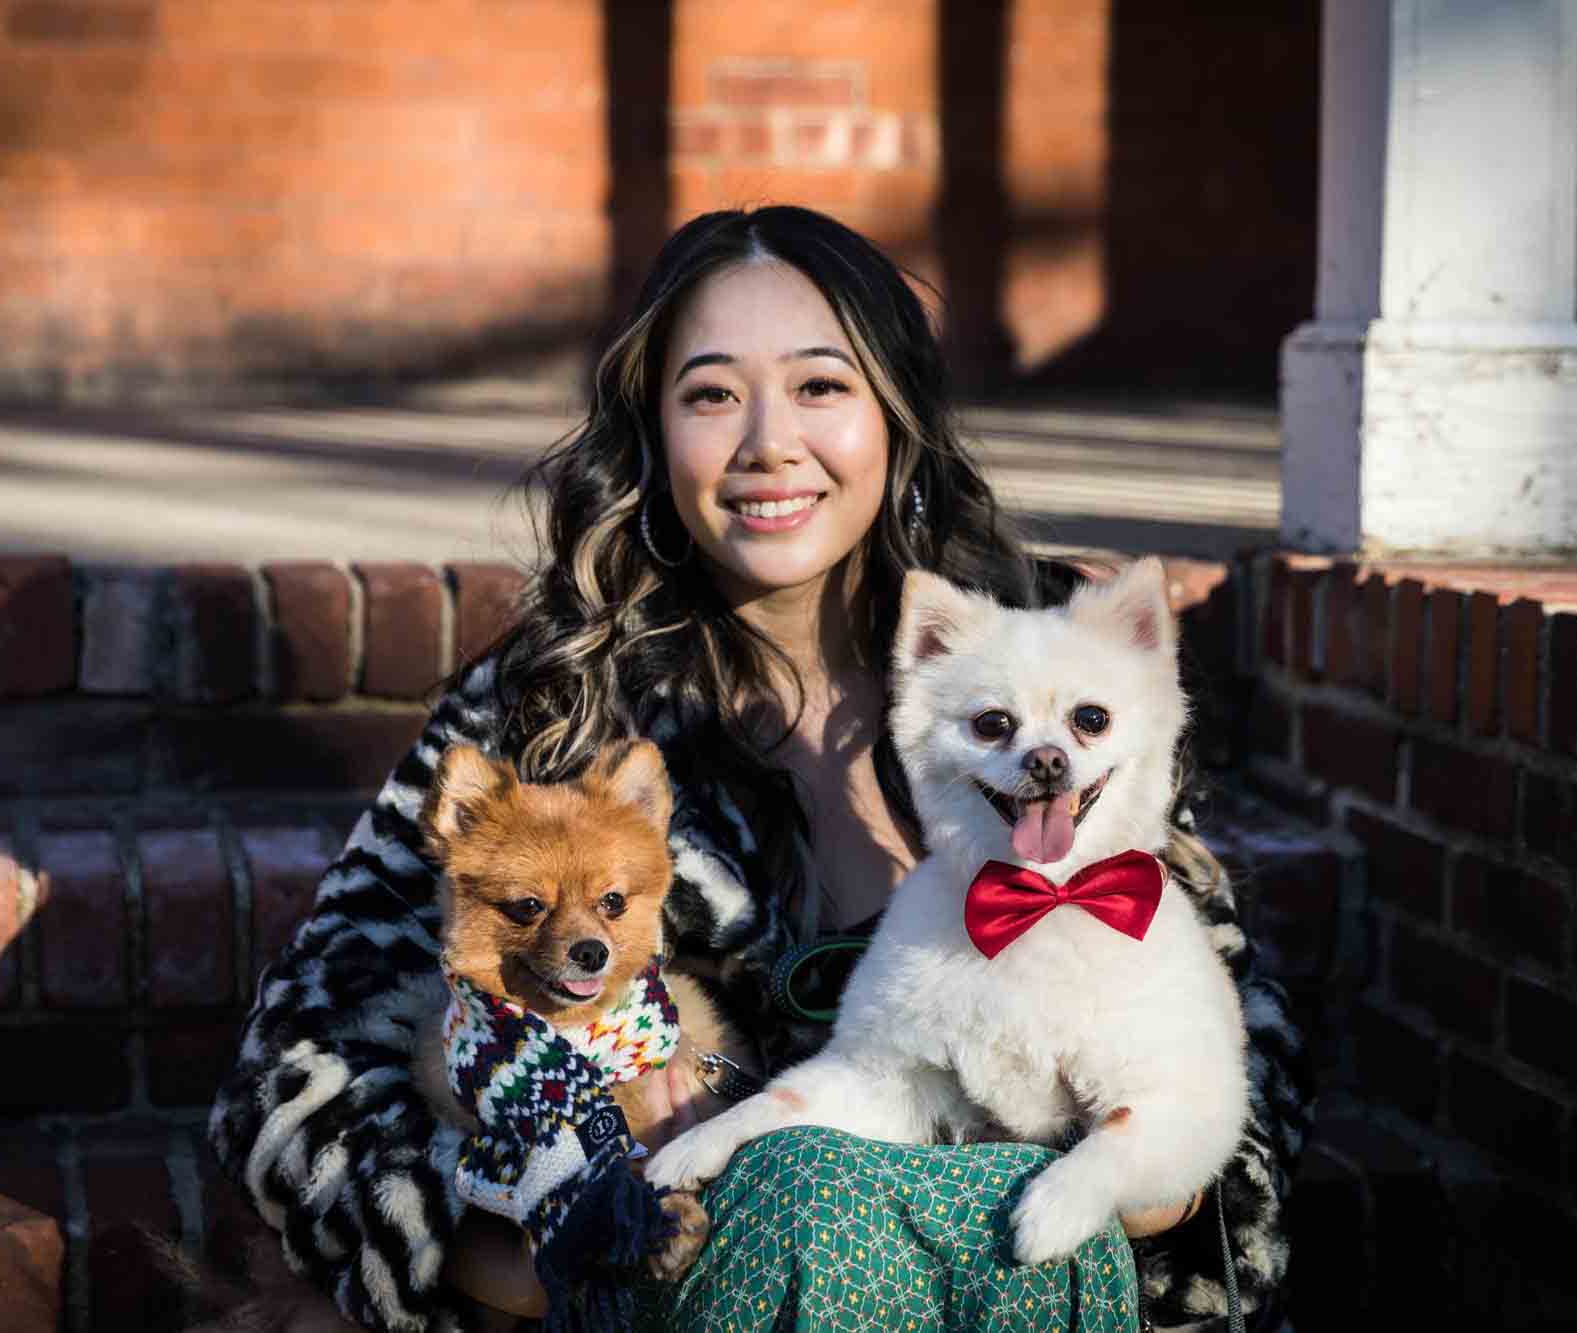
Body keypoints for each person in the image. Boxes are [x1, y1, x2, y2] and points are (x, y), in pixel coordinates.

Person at [207, 205, 1312, 1332]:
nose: (766, 443)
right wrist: (539, 1259)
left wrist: (1142, 1176)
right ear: (651, 434)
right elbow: (295, 1069)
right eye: (711, 394)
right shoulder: (553, 706)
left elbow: (1233, 1035)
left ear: (896, 413)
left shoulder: (1032, 667)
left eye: (820, 387)